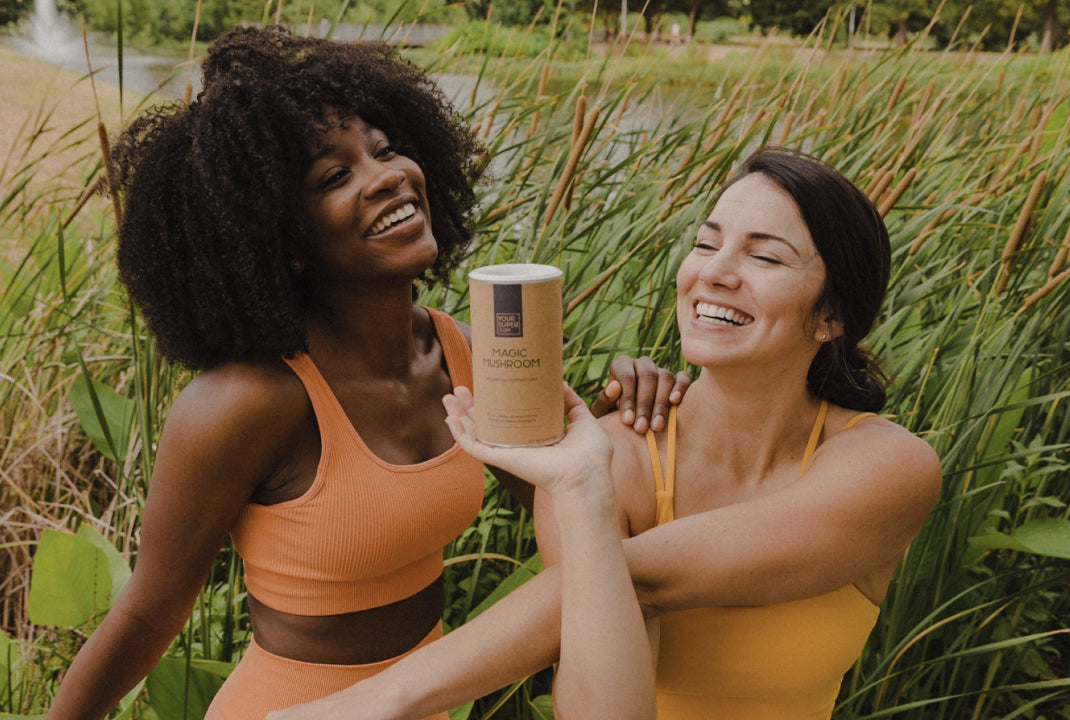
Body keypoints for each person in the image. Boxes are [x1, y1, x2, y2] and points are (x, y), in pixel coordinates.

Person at [42, 25, 685, 720]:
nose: (388, 176)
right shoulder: (247, 401)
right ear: (283, 241)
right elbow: (147, 613)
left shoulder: (468, 355)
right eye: (335, 176)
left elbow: (576, 517)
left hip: (417, 704)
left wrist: (628, 418)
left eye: (385, 149)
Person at [267, 146, 942, 720]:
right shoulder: (615, 456)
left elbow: (646, 579)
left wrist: (370, 704)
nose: (715, 270)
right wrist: (584, 486)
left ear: (832, 317)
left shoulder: (886, 468)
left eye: (764, 258)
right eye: (707, 243)